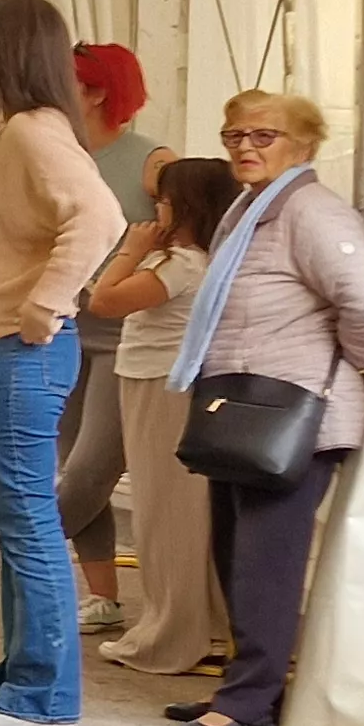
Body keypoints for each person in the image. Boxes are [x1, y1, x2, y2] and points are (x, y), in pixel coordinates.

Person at [160, 90, 364, 726]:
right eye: (234, 134)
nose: (244, 146)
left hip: (290, 412)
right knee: (236, 554)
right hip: (243, 406)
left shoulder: (314, 213)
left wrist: (337, 367)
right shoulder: (254, 206)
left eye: (263, 136)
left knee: (266, 562)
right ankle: (245, 687)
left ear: (304, 143)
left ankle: (250, 706)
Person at [0, 0, 126, 726]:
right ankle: (17, 674)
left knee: (28, 522)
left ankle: (43, 696)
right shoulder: (30, 131)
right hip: (0, 346)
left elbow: (98, 216)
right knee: (15, 519)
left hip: (18, 349)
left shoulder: (35, 134)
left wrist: (47, 302)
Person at [84, 156, 239, 676]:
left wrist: (130, 251)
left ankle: (174, 629)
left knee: (165, 512)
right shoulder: (200, 260)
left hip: (161, 386)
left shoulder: (180, 264)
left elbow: (102, 300)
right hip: (163, 382)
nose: (156, 209)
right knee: (179, 511)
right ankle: (204, 626)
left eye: (164, 200)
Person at [57, 43, 175, 635]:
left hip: (125, 332)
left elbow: (183, 244)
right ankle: (101, 596)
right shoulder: (56, 152)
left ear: (99, 91)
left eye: (67, 80)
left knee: (88, 471)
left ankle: (25, 552)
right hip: (58, 327)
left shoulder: (152, 160)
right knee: (71, 466)